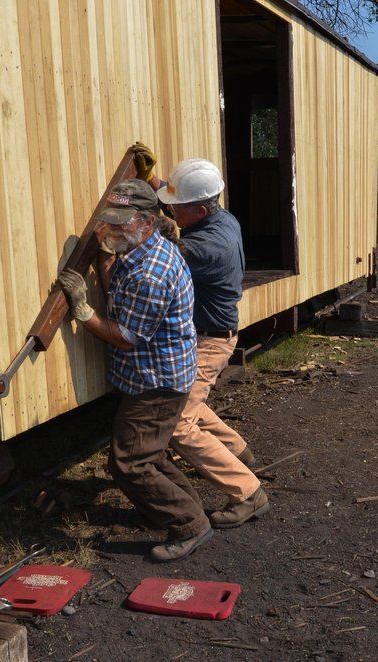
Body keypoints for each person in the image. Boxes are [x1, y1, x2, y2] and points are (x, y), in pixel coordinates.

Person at [57, 178, 212, 562]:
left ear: (145, 221)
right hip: (157, 378)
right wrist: (105, 261)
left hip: (156, 384)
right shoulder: (141, 253)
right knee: (149, 456)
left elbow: (126, 336)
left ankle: (189, 523)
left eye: (121, 224)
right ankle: (184, 507)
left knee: (127, 463)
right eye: (109, 222)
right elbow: (122, 293)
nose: (111, 230)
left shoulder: (151, 272)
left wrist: (83, 310)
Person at [138, 151, 269, 529]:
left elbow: (157, 250)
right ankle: (238, 452)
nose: (171, 213)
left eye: (177, 210)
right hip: (212, 334)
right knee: (190, 402)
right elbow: (175, 196)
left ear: (199, 210)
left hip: (209, 342)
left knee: (178, 423)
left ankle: (247, 492)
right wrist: (152, 180)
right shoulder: (222, 217)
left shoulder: (205, 248)